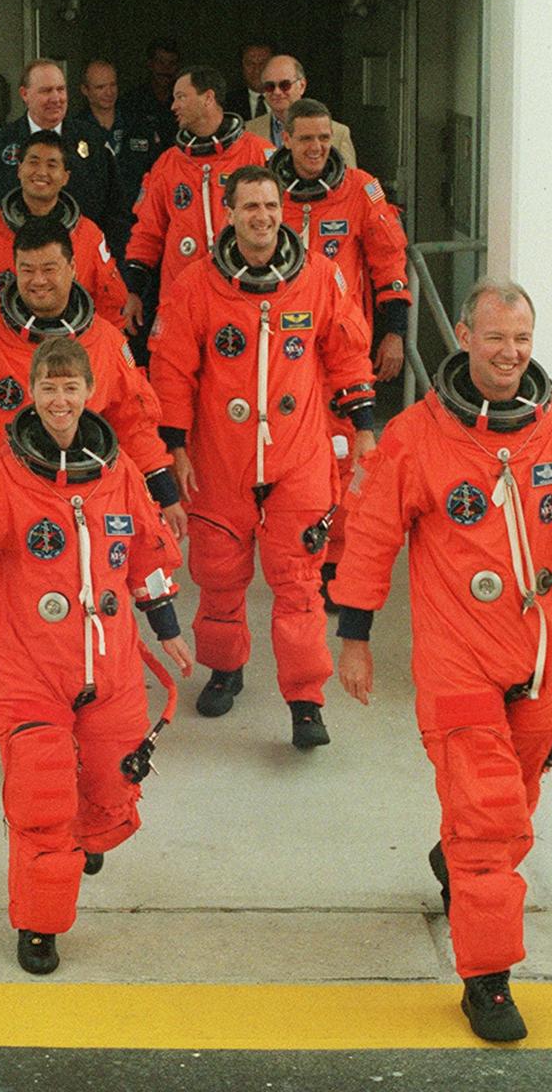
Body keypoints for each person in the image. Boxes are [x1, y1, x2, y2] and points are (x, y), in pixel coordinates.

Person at [332, 278, 552, 1042]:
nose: (509, 353)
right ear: (462, 335)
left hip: (544, 662)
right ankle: (487, 980)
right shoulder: (418, 435)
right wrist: (353, 637)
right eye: (493, 338)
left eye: (520, 340)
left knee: (505, 817)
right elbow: (372, 533)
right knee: (487, 819)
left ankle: (458, 863)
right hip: (460, 662)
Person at [0, 337, 194, 975]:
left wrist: (165, 627)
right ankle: (39, 924)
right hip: (28, 673)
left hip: (108, 670)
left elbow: (146, 557)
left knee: (110, 792)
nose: (59, 400)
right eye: (47, 388)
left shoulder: (120, 473)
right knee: (42, 800)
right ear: (32, 392)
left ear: (88, 393)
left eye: (70, 387)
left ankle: (88, 834)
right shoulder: (1, 473)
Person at [0, 216, 184, 676]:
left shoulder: (105, 343)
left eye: (49, 268)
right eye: (27, 269)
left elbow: (135, 425)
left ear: (72, 268)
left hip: (81, 505)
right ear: (13, 271)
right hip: (4, 501)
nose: (38, 280)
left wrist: (165, 495)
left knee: (77, 620)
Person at [148, 165, 377, 748]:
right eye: (249, 207)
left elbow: (349, 355)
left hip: (297, 461)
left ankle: (306, 702)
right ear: (228, 213)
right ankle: (227, 669)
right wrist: (174, 446)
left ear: (283, 210)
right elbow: (172, 369)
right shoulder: (197, 285)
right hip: (218, 463)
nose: (262, 217)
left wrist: (365, 427)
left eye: (270, 206)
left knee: (299, 583)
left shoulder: (321, 279)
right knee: (219, 580)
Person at [272, 97, 411, 590]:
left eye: (324, 138)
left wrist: (393, 332)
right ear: (285, 139)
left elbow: (390, 264)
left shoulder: (360, 189)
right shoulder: (267, 193)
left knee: (345, 452)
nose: (315, 148)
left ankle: (336, 561)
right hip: (280, 348)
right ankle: (294, 554)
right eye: (305, 138)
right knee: (286, 451)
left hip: (342, 346)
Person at [123, 65, 272, 357]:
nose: (173, 105)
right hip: (182, 300)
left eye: (181, 97)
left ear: (208, 98)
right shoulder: (168, 164)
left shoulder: (257, 153)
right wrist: (133, 290)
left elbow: (282, 223)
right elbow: (147, 233)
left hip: (243, 295)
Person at [0, 130, 127, 328]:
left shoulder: (88, 234)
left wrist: (109, 344)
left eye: (52, 165)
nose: (41, 172)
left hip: (68, 349)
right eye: (33, 162)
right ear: (19, 169)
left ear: (65, 177)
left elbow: (110, 300)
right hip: (4, 345)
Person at [0, 58, 131, 261]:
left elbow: (117, 214)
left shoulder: (93, 140)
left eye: (61, 89)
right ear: (24, 94)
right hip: (16, 268)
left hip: (84, 265)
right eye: (46, 91)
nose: (56, 98)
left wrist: (118, 270)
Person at [77, 58, 168, 208]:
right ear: (85, 90)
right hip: (94, 218)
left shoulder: (139, 124)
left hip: (137, 217)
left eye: (113, 85)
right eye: (100, 87)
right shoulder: (75, 129)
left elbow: (158, 171)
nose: (109, 92)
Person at [246, 54, 357, 167]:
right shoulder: (248, 130)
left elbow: (350, 182)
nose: (277, 92)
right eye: (270, 86)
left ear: (302, 86)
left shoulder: (339, 133)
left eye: (285, 85)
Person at [120, 36, 180, 153]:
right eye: (160, 62)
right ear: (150, 64)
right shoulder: (133, 101)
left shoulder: (184, 102)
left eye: (171, 63)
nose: (166, 69)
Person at [229, 40, 274, 121]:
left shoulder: (291, 100)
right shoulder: (228, 104)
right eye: (250, 63)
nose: (257, 70)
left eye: (263, 63)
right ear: (241, 67)